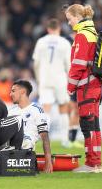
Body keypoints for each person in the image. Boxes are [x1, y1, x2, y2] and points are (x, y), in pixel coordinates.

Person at [65, 4, 102, 173]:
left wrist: (70, 86)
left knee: (88, 126)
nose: (68, 23)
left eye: (70, 19)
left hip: (86, 86)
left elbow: (78, 64)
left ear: (78, 17)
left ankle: (92, 164)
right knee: (94, 125)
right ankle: (97, 163)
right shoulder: (93, 33)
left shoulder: (82, 35)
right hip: (95, 85)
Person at [32, 18, 72, 148]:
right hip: (61, 79)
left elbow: (36, 63)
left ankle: (43, 138)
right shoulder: (65, 42)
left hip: (45, 79)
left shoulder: (41, 42)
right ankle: (65, 140)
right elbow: (69, 65)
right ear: (59, 28)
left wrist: (38, 78)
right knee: (63, 108)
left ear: (48, 29)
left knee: (46, 110)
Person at [9, 80, 53, 173]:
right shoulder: (11, 111)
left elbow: (44, 137)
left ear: (23, 92)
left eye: (13, 91)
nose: (10, 94)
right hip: (10, 145)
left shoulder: (37, 110)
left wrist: (48, 161)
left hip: (26, 146)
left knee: (26, 141)